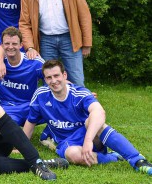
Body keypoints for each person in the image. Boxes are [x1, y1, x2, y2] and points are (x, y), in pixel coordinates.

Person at [23, 60, 152, 175]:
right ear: (45, 80)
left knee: (93, 121)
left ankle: (138, 161)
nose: (53, 80)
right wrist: (20, 146)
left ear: (64, 75)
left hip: (90, 135)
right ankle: (114, 157)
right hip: (66, 141)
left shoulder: (79, 93)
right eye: (49, 77)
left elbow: (99, 111)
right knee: (73, 155)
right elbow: (31, 121)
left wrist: (88, 140)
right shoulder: (41, 95)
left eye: (56, 75)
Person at [19, 0, 92, 86]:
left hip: (70, 39)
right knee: (49, 81)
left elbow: (84, 13)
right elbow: (24, 24)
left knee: (77, 80)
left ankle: (82, 106)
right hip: (45, 41)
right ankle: (52, 107)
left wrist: (87, 42)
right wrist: (29, 47)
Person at [0, 27, 44, 126]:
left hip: (29, 106)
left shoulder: (34, 63)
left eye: (14, 44)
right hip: (8, 107)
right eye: (7, 44)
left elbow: (56, 78)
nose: (10, 47)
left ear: (21, 45)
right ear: (2, 45)